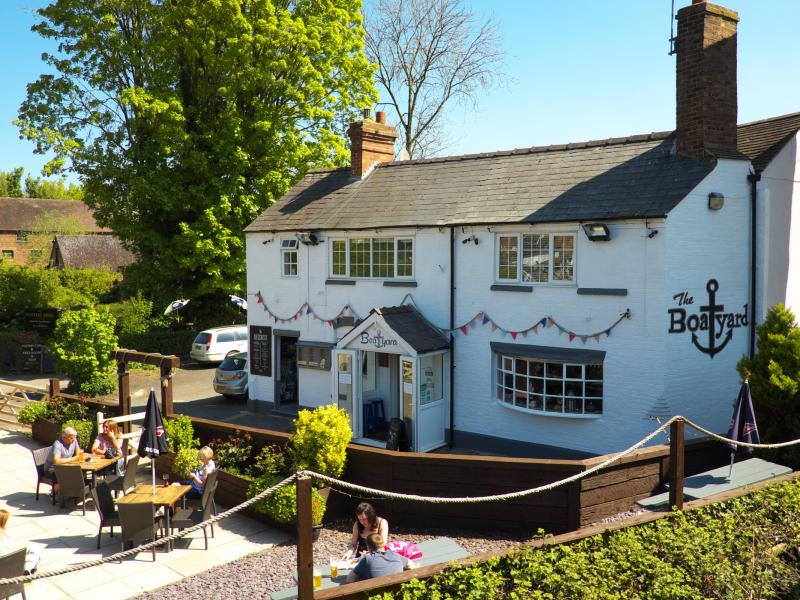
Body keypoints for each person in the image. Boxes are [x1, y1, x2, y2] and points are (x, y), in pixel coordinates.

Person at [346, 534, 415, 582]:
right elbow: (411, 565)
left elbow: (350, 579)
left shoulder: (368, 559)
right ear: (383, 544)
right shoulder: (395, 555)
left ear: (368, 547)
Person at [43, 426, 82, 496]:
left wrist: (79, 454)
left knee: (80, 473)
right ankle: (53, 493)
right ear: (64, 437)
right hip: (52, 469)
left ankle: (74, 493)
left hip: (66, 466)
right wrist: (74, 459)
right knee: (70, 477)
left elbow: (78, 451)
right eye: (71, 438)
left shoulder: (74, 440)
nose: (74, 440)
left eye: (74, 437)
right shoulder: (57, 444)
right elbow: (56, 461)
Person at [0, 509, 41, 575]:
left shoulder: (5, 537)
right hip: (11, 569)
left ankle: (27, 569)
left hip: (6, 568)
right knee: (34, 550)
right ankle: (27, 568)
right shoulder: (5, 538)